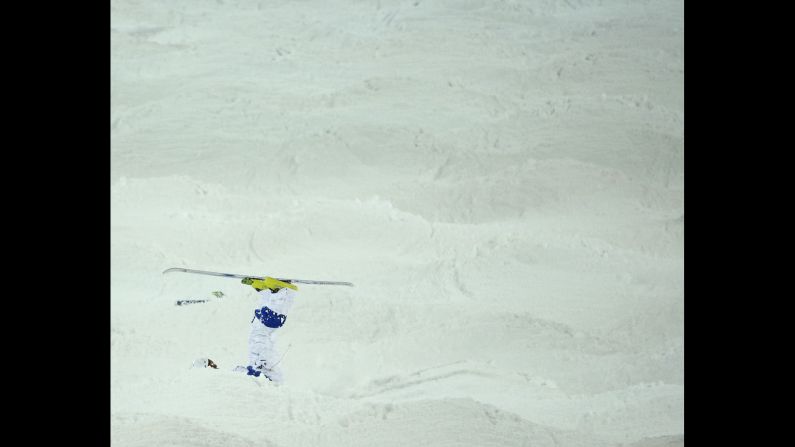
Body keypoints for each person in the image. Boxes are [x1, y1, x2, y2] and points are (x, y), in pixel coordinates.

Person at [236, 276, 298, 382]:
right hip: (265, 370)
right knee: (270, 321)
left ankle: (266, 292)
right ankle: (282, 292)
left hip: (256, 366)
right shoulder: (269, 386)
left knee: (257, 328)